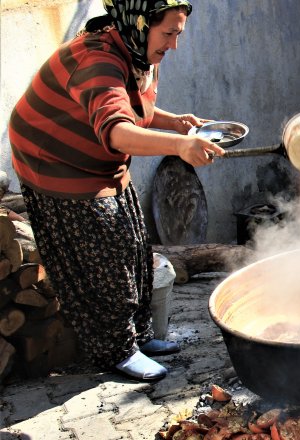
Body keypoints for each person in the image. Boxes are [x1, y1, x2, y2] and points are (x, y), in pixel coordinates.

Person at [7, 0, 225, 381]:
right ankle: (117, 352)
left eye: (179, 34)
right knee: (103, 263)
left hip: (100, 160)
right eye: (168, 33)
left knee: (135, 248)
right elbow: (116, 130)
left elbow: (130, 107)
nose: (174, 45)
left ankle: (139, 336)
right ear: (140, 25)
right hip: (56, 163)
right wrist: (179, 147)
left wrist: (175, 123)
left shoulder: (135, 50)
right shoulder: (98, 60)